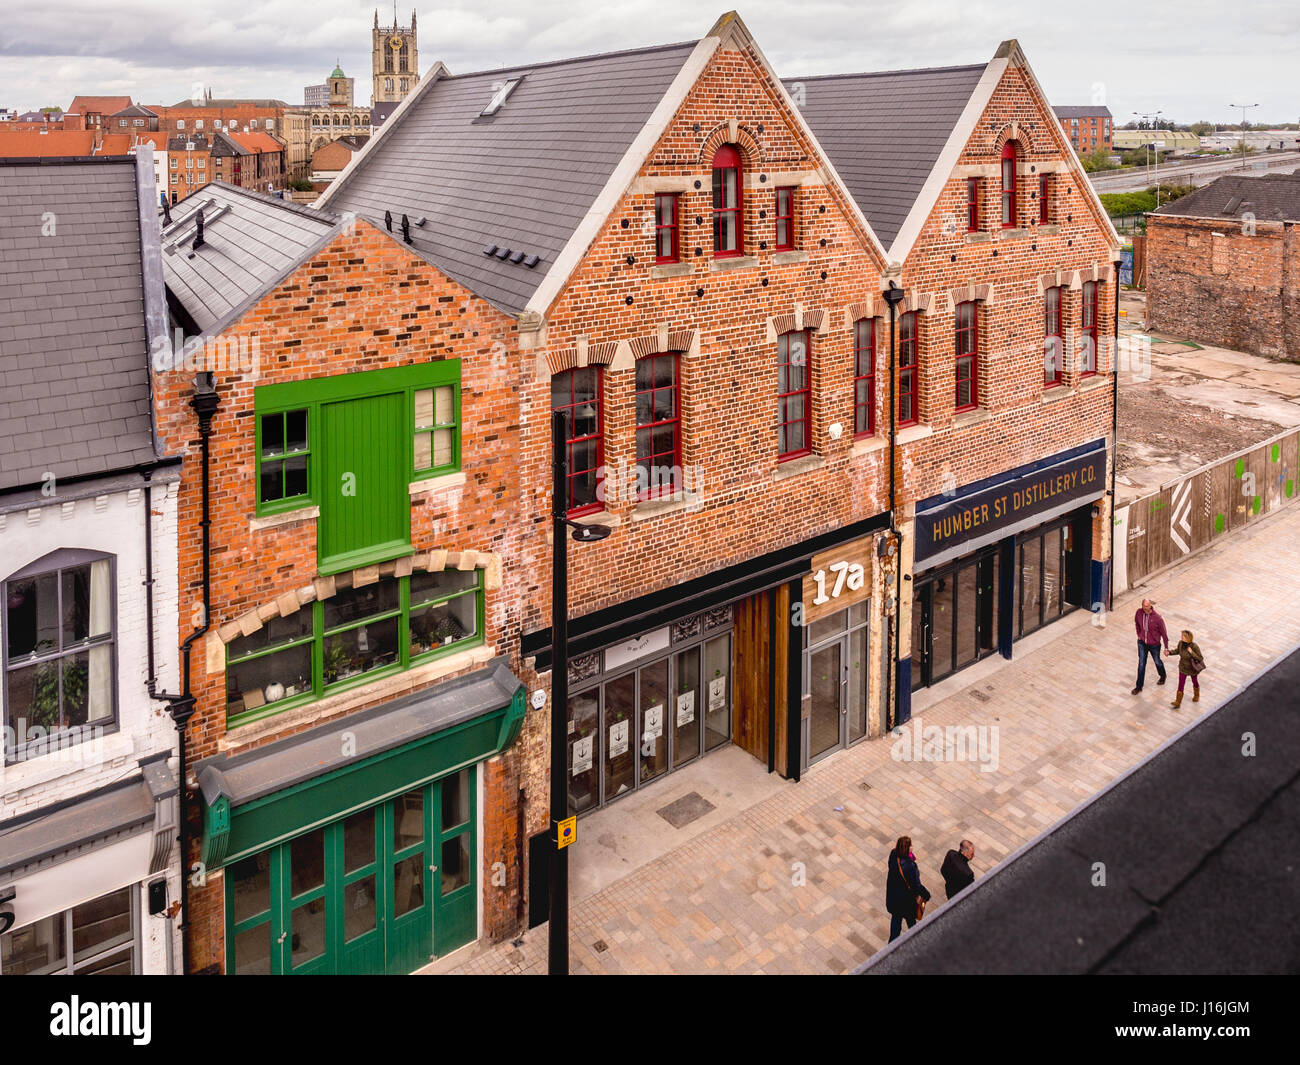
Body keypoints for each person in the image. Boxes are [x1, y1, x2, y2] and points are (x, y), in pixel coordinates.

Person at [886, 836, 931, 942]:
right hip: (906, 901)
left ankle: (891, 945)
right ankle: (917, 940)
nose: (912, 847)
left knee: (896, 922)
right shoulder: (909, 866)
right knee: (911, 921)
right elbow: (916, 886)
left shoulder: (893, 854)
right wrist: (926, 894)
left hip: (894, 898)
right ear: (906, 848)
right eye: (911, 845)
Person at [1131, 598, 1169, 694]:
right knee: (1141, 664)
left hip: (1154, 645)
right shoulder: (1139, 612)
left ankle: (1163, 675)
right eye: (1143, 606)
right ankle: (1139, 687)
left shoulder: (1158, 618)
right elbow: (1137, 623)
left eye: (1147, 606)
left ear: (1150, 606)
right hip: (1142, 643)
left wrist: (1166, 647)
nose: (1145, 608)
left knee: (1157, 661)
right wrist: (1139, 635)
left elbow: (1164, 633)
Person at [1166, 629, 1205, 709]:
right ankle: (1178, 702)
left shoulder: (1194, 646)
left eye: (1183, 636)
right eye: (1182, 636)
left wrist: (1192, 652)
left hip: (1192, 669)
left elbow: (1200, 658)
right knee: (1181, 684)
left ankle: (1196, 695)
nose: (1181, 637)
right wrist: (1169, 652)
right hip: (1183, 667)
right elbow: (1177, 651)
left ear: (1188, 638)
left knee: (1195, 681)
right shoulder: (1181, 643)